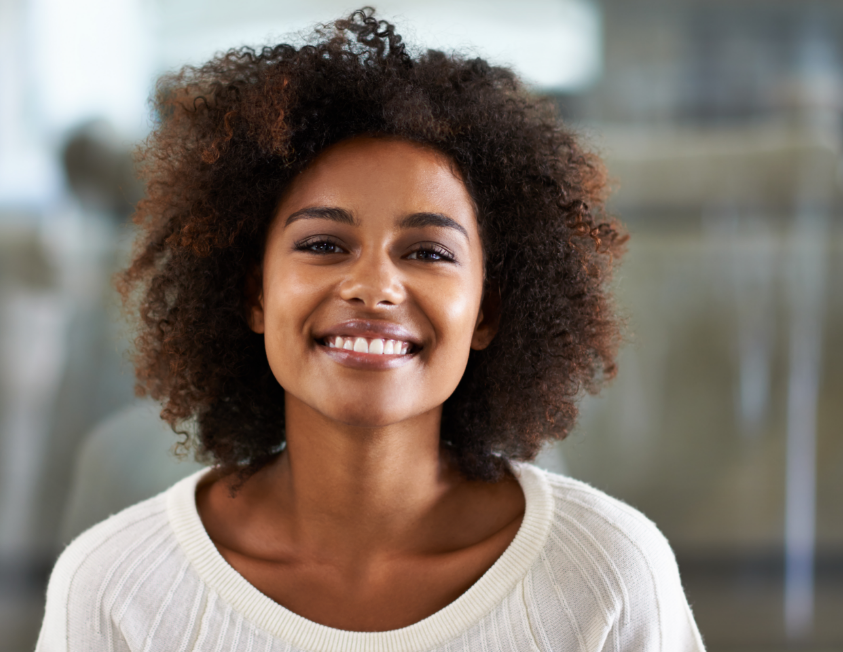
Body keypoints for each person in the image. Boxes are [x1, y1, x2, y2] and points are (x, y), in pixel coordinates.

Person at [36, 9, 706, 651]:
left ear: (488, 312)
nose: (375, 286)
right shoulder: (116, 587)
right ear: (254, 295)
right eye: (324, 244)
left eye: (427, 252)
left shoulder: (607, 574)